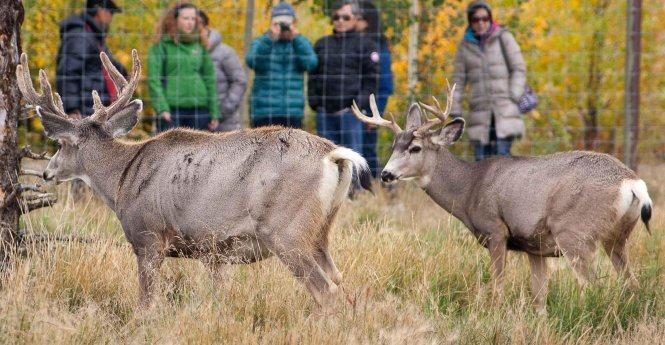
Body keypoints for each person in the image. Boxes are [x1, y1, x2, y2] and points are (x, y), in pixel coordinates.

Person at [451, 1, 526, 161]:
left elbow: (519, 68)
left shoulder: (504, 38)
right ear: (470, 22)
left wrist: (514, 95)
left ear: (490, 19)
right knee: (481, 165)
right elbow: (458, 80)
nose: (481, 23)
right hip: (479, 112)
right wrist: (455, 109)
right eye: (476, 19)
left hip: (504, 110)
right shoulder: (464, 47)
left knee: (502, 164)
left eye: (484, 18)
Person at [308, 0, 379, 155]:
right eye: (336, 17)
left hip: (351, 114)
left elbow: (371, 81)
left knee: (352, 161)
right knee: (326, 161)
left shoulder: (367, 45)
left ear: (355, 19)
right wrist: (315, 103)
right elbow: (312, 75)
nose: (340, 21)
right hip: (325, 113)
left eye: (346, 17)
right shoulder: (321, 44)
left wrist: (358, 104)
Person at [148, 2, 220, 132]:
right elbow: (154, 80)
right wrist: (162, 108)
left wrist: (214, 112)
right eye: (186, 18)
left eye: (193, 18)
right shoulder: (161, 45)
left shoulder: (200, 45)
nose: (190, 22)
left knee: (200, 151)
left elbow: (210, 80)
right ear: (174, 20)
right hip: (172, 112)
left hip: (200, 111)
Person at [245, 2, 318, 128]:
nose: (283, 28)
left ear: (294, 23)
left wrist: (296, 39)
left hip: (292, 112)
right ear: (271, 24)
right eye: (278, 23)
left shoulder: (300, 42)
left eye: (286, 24)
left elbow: (311, 64)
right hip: (264, 111)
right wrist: (269, 40)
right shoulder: (262, 41)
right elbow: (253, 62)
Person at [56, 0, 127, 118]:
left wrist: (122, 72)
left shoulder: (94, 37)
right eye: (110, 12)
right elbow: (68, 73)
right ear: (99, 10)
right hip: (84, 113)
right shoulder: (80, 36)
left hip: (96, 110)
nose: (111, 17)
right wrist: (71, 109)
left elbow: (104, 64)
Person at [357, 1, 393, 178]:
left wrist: (376, 111)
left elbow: (385, 84)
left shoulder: (379, 46)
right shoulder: (352, 42)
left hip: (370, 108)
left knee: (367, 150)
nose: (354, 20)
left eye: (358, 18)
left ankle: (374, 189)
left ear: (367, 20)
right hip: (353, 104)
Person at [199, 10, 247, 132]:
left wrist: (222, 111)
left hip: (225, 126)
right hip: (196, 121)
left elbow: (240, 81)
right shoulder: (185, 54)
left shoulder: (225, 52)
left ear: (205, 26)